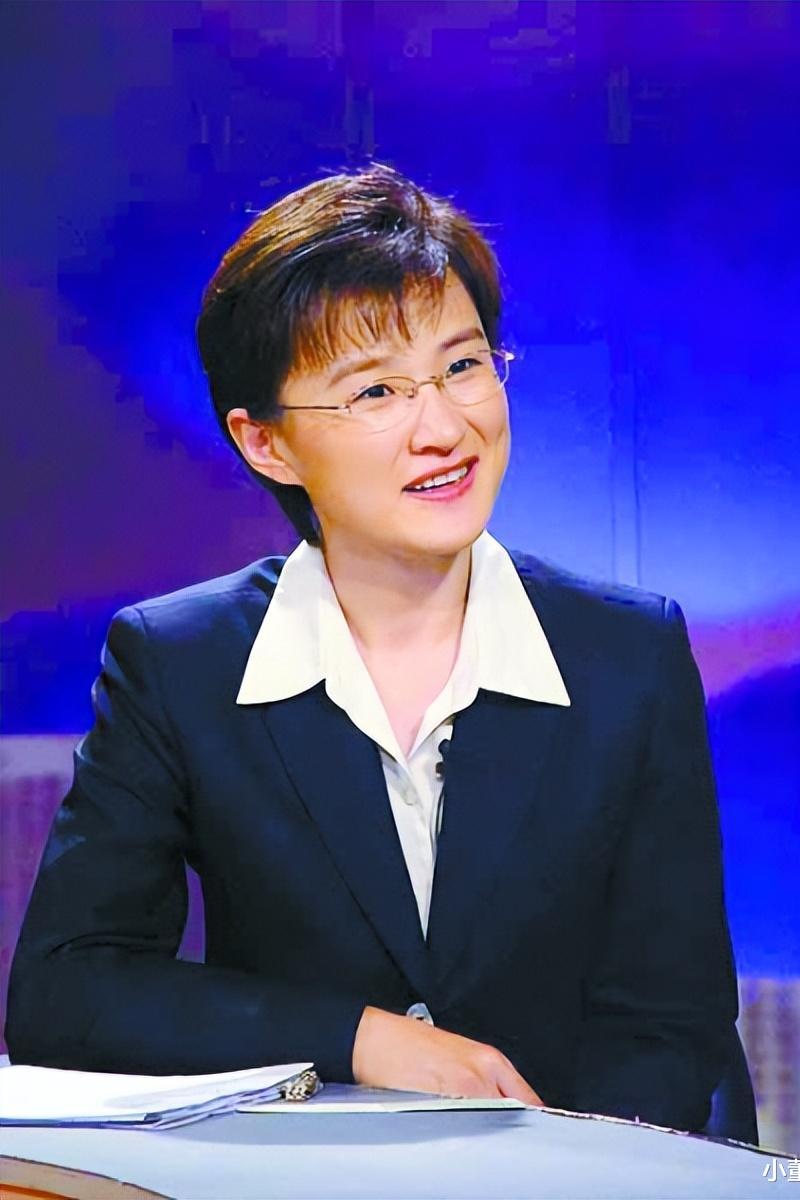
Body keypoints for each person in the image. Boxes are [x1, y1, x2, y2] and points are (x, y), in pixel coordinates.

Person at [7, 162, 740, 1131]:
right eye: (377, 391)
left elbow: (671, 1022)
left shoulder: (627, 654)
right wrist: (361, 1039)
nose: (443, 427)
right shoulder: (180, 663)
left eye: (463, 367)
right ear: (266, 442)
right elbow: (68, 990)